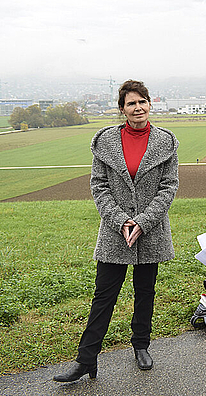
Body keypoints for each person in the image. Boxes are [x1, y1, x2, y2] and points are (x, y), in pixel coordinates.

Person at [54, 80, 179, 382]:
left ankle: (141, 346)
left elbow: (169, 187)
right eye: (131, 103)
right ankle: (86, 359)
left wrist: (144, 222)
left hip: (151, 230)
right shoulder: (105, 141)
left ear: (150, 104)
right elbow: (99, 186)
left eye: (142, 102)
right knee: (104, 295)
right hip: (114, 231)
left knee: (145, 292)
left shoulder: (167, 141)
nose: (138, 108)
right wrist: (121, 221)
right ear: (122, 108)